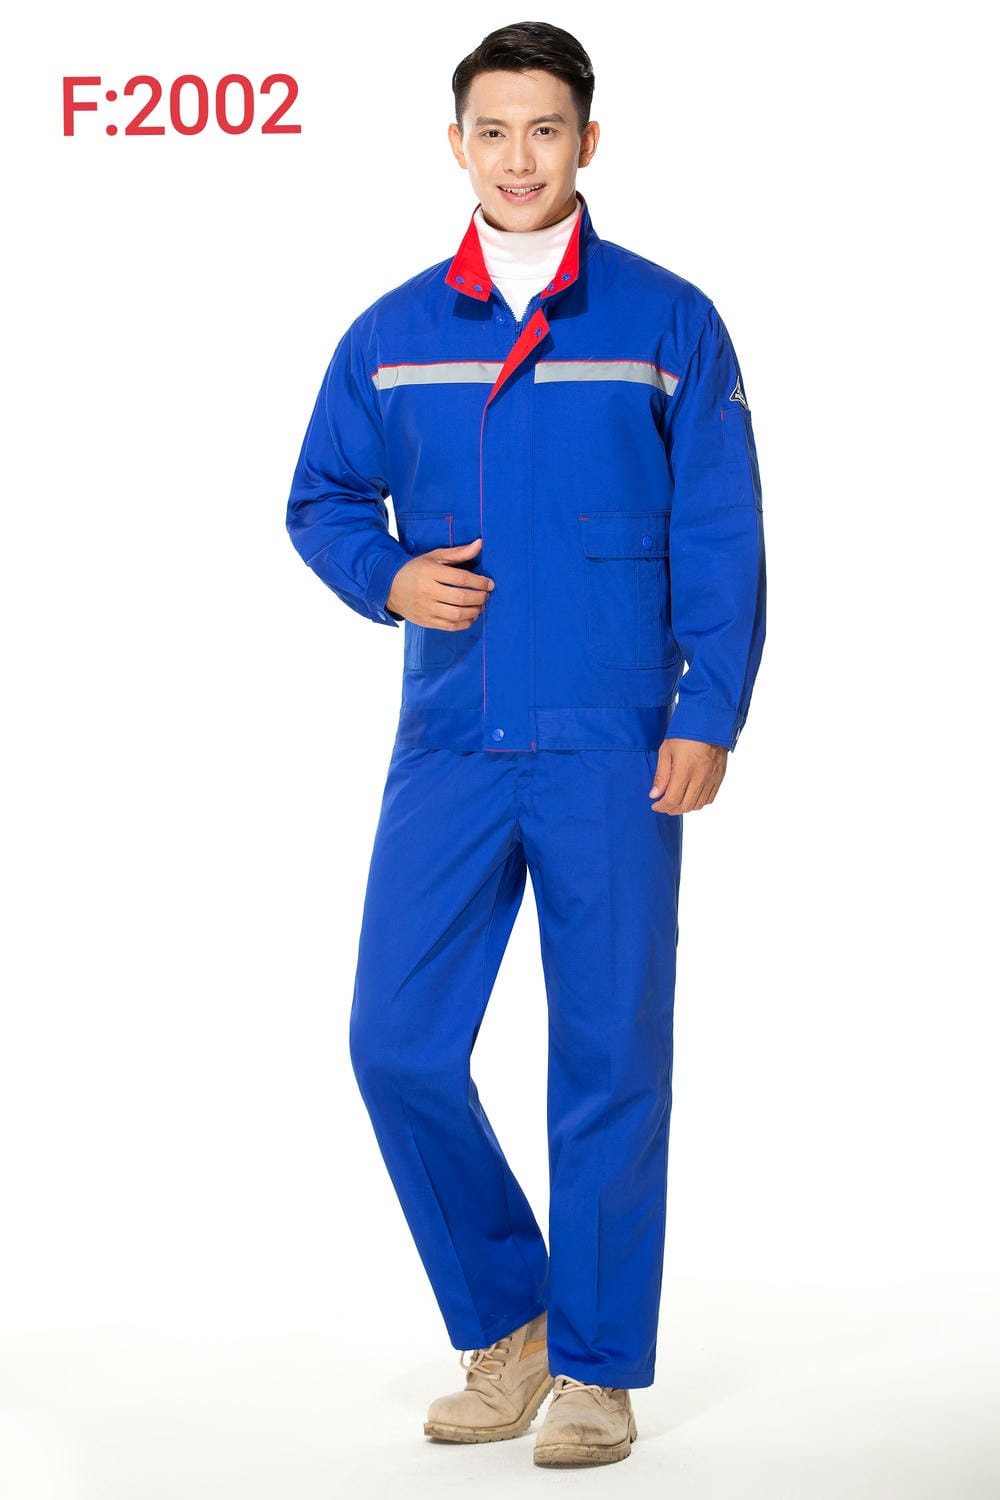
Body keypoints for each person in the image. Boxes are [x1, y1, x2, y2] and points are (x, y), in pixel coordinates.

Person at [285, 19, 766, 1469]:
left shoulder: (668, 320)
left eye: (545, 129)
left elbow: (723, 528)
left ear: (587, 142)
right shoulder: (391, 333)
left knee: (609, 1055)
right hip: (453, 735)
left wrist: (707, 708)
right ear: (456, 146)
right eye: (491, 131)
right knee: (394, 1042)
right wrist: (387, 577)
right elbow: (321, 498)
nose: (518, 157)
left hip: (616, 739)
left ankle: (601, 1369)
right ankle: (512, 1321)